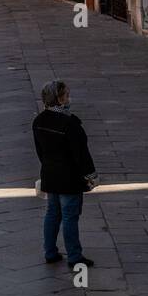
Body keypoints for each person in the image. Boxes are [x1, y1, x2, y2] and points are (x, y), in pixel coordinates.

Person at [32, 80, 98, 268]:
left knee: (52, 213)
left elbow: (40, 152)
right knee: (70, 216)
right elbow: (81, 154)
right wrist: (90, 175)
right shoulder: (70, 123)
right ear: (59, 99)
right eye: (66, 95)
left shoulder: (39, 121)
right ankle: (74, 255)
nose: (69, 99)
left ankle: (50, 251)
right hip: (70, 178)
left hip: (50, 175)